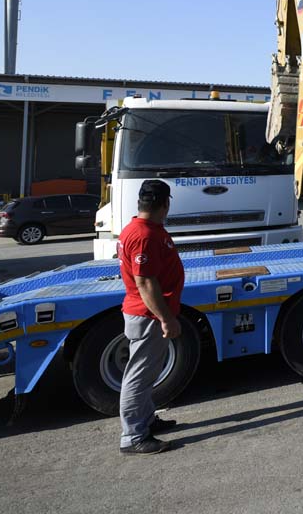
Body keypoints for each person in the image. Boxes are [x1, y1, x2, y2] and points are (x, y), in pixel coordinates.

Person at [117, 179, 186, 454]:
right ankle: (133, 437)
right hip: (148, 316)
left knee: (147, 373)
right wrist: (166, 318)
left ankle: (146, 421)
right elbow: (145, 282)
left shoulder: (143, 229)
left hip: (147, 313)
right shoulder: (144, 235)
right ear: (165, 203)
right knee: (139, 376)